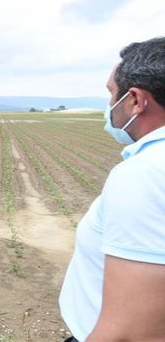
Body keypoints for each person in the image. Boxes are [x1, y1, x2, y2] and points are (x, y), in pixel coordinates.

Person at [60, 37, 165, 341]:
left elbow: (132, 333)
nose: (109, 106)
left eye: (111, 93)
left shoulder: (146, 175)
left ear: (135, 100)